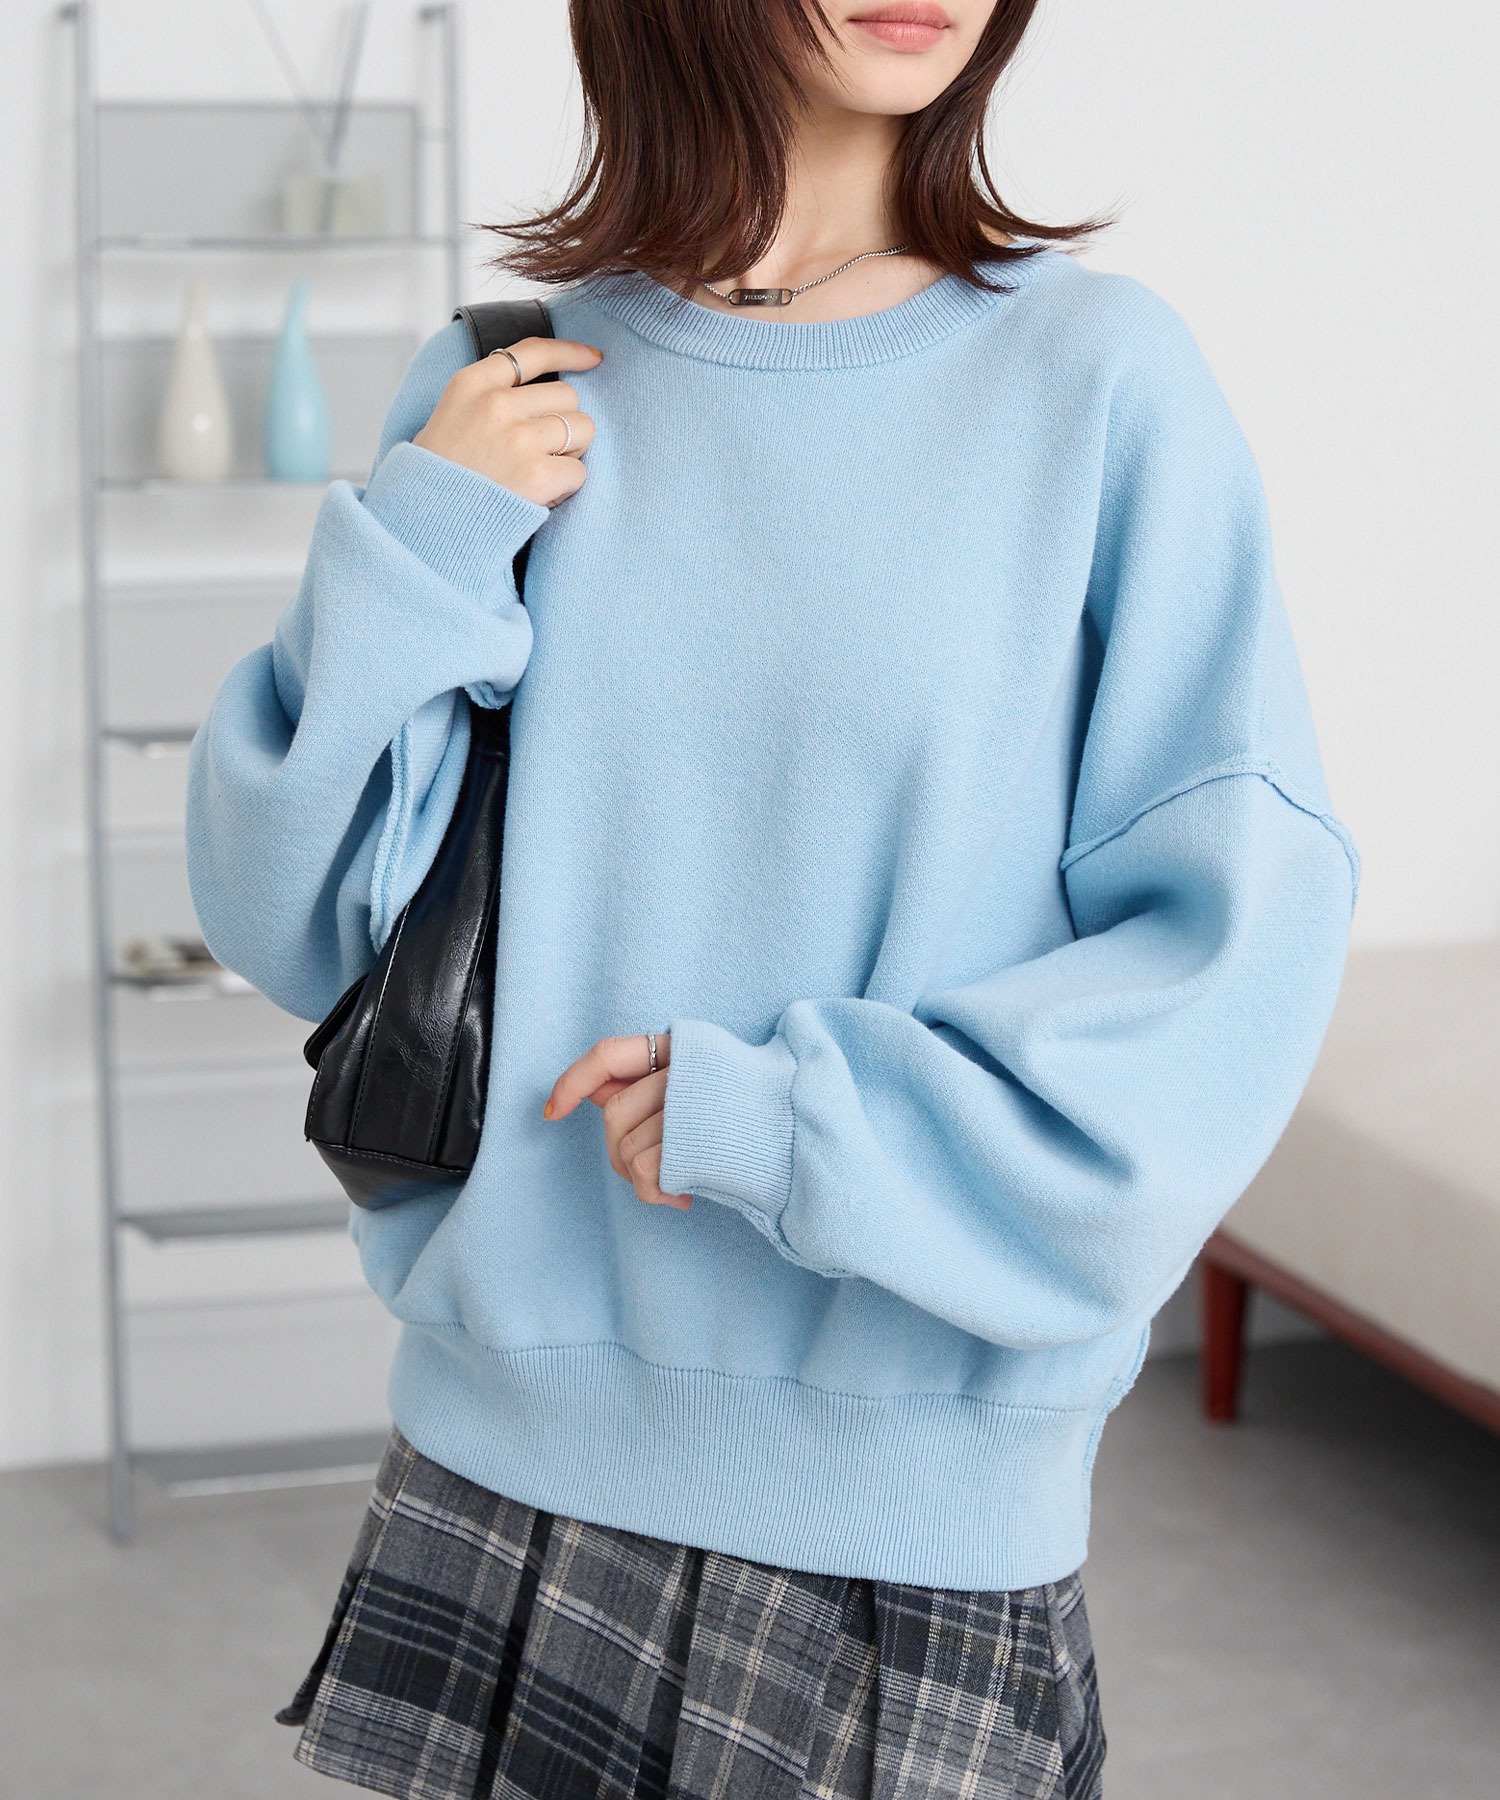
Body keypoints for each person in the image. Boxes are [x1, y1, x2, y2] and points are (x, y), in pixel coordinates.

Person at [184, 1, 1360, 1794]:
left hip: (908, 1528)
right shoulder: (516, 379)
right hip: (501, 1477)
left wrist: (802, 1123)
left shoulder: (1098, 382)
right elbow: (296, 919)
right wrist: (422, 542)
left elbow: (1229, 969)